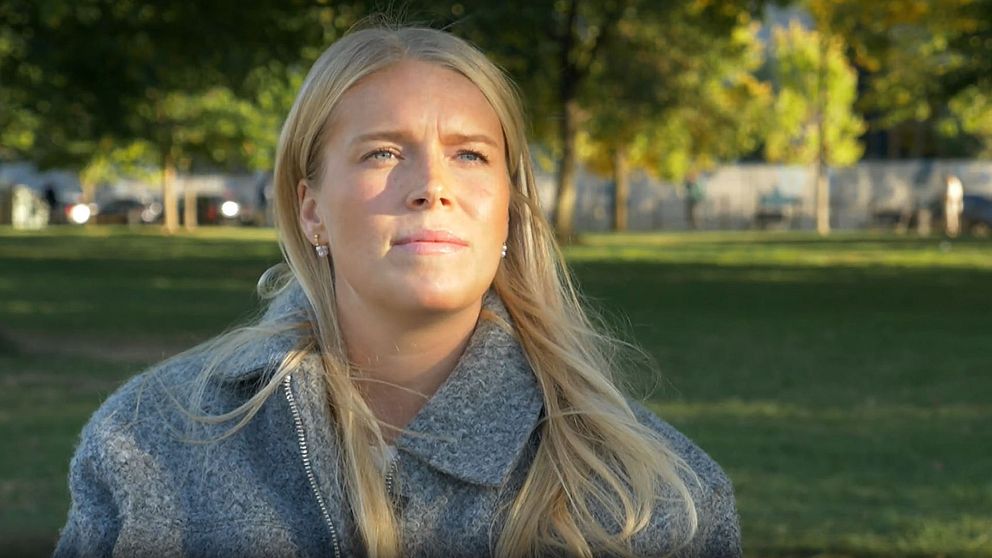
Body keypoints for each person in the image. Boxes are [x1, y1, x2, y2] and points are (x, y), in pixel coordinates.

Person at [55, 25, 740, 557]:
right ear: (311, 209)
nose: (432, 186)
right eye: (383, 152)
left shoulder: (655, 500)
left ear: (508, 208)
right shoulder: (147, 439)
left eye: (470, 155)